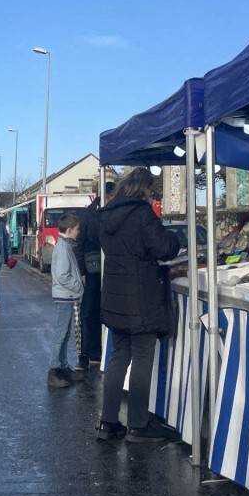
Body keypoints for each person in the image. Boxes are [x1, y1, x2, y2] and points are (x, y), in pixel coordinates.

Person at [96, 168, 180, 443]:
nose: (153, 194)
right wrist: (173, 236)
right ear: (143, 188)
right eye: (151, 189)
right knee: (143, 357)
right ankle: (138, 424)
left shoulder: (107, 214)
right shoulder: (142, 213)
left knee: (119, 356)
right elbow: (165, 248)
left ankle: (108, 423)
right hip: (141, 296)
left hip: (115, 295)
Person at [75, 181, 115, 370]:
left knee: (102, 310)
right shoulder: (89, 214)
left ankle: (100, 350)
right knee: (90, 311)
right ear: (106, 196)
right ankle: (88, 352)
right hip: (93, 271)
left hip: (107, 269)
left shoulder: (111, 213)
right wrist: (82, 270)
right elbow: (80, 243)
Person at [47, 213, 86, 389]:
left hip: (67, 295)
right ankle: (55, 368)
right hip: (66, 296)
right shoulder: (63, 248)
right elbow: (63, 275)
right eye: (77, 229)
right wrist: (78, 286)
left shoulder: (64, 245)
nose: (79, 232)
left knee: (65, 333)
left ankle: (62, 366)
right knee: (61, 333)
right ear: (69, 230)